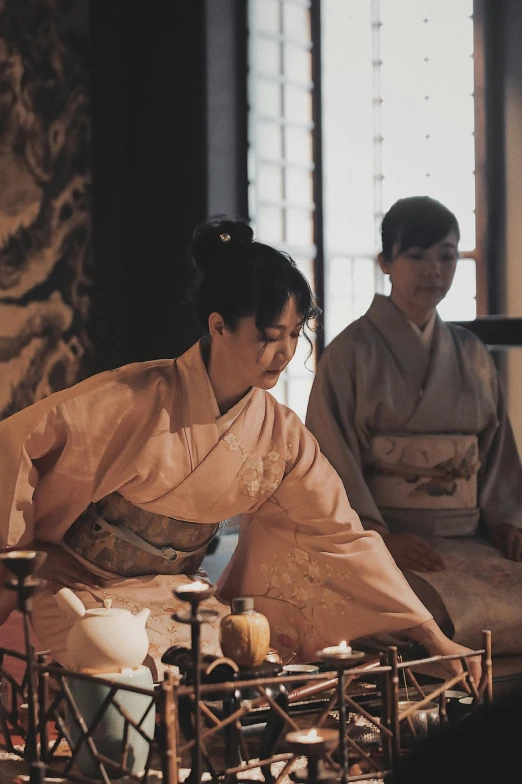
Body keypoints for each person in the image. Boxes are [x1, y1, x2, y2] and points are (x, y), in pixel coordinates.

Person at [0, 217, 478, 681]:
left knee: (243, 679)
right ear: (219, 325)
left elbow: (339, 536)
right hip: (81, 591)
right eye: (269, 337)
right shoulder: (131, 400)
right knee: (137, 680)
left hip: (177, 597)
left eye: (295, 335)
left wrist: (430, 634)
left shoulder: (279, 434)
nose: (285, 353)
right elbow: (16, 444)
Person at [306, 196, 522, 655]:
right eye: (417, 255)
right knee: (426, 617)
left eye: (447, 256)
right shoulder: (349, 353)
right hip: (390, 542)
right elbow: (331, 459)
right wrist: (378, 537)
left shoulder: (471, 351)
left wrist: (506, 521)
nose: (434, 270)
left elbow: (497, 450)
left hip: (471, 538)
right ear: (386, 262)